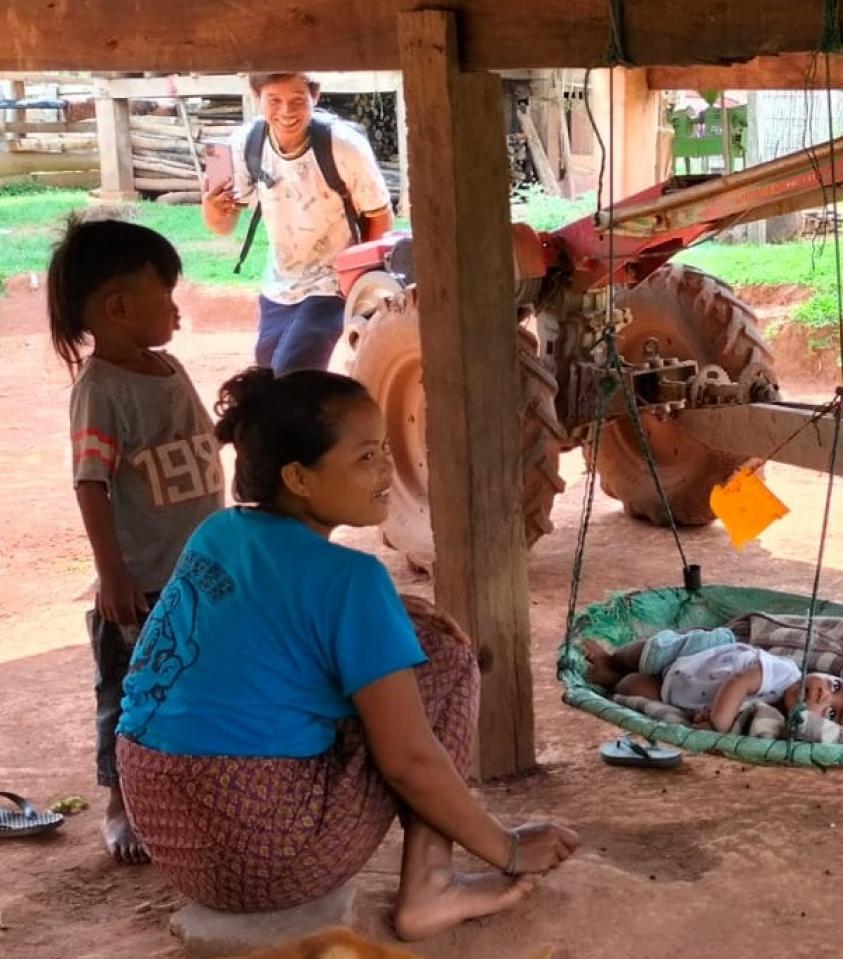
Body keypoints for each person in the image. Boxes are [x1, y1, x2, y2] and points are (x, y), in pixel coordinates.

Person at [114, 368, 578, 940]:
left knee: (389, 657)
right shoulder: (352, 580)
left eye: (385, 449)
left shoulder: (218, 533)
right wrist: (506, 849)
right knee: (447, 660)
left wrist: (388, 612)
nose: (387, 469)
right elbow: (408, 762)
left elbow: (268, 618)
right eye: (365, 457)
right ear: (299, 479)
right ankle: (431, 885)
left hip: (170, 834)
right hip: (267, 860)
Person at [48, 217, 225, 866]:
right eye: (167, 295)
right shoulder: (100, 393)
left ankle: (184, 788)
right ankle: (121, 803)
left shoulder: (168, 367)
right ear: (119, 307)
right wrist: (113, 572)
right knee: (129, 696)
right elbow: (90, 483)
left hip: (201, 572)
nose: (178, 307)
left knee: (199, 681)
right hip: (143, 582)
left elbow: (201, 440)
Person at [201, 72, 393, 375]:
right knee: (267, 371)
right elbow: (222, 226)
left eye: (297, 100)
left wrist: (358, 284)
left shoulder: (343, 146)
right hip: (280, 283)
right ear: (256, 97)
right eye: (274, 100)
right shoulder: (245, 144)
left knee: (293, 372)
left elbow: (379, 216)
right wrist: (213, 209)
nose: (286, 112)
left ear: (314, 97)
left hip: (334, 283)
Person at [582, 629, 843, 735]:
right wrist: (718, 722)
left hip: (679, 690)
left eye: (832, 713)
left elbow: (740, 710)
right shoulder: (785, 673)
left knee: (632, 689)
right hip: (696, 655)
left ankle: (613, 679)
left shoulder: (773, 719)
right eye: (834, 686)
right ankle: (613, 658)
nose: (822, 694)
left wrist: (705, 715)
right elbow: (740, 684)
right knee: (643, 653)